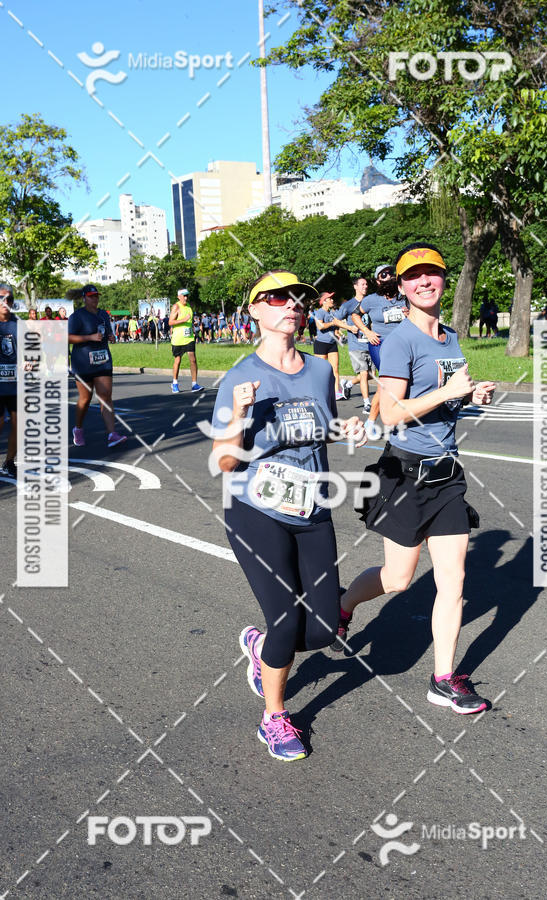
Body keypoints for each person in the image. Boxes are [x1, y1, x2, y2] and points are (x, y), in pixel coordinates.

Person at [212, 269, 366, 761]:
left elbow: (323, 426)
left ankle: (259, 650)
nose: (291, 305)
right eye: (276, 298)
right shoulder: (238, 377)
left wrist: (349, 429)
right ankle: (275, 717)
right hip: (254, 508)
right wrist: (238, 416)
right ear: (255, 310)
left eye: (298, 298)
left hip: (311, 506)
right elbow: (223, 462)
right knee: (285, 621)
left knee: (321, 632)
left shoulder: (321, 370)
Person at [335, 243, 496, 715]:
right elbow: (388, 414)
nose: (424, 282)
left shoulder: (450, 337)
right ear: (402, 288)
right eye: (414, 277)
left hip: (447, 475)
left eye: (433, 274)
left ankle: (443, 678)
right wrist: (449, 390)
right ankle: (343, 606)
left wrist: (469, 396)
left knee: (454, 579)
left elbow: (444, 402)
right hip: (405, 473)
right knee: (399, 578)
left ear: (444, 280)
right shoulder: (400, 340)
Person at [351, 263, 407, 439]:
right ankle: (371, 421)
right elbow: (355, 315)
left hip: (403, 345)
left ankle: (396, 420)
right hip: (380, 344)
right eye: (383, 275)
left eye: (391, 273)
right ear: (377, 281)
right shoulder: (371, 300)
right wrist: (366, 331)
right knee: (388, 381)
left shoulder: (404, 297)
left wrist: (409, 314)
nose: (388, 276)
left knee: (402, 383)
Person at [68, 284, 127, 448]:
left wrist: (111, 337)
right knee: (85, 399)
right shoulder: (77, 316)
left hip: (103, 360)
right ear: (84, 298)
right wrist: (89, 337)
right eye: (91, 296)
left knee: (105, 395)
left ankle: (112, 434)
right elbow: (68, 338)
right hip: (83, 363)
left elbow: (107, 332)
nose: (95, 298)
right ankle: (78, 429)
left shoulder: (103, 314)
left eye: (97, 296)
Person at [339, 275, 374, 413]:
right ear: (355, 287)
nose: (365, 286)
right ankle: (367, 404)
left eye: (366, 284)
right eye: (362, 284)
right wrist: (349, 328)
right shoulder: (348, 305)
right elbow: (335, 319)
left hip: (370, 343)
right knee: (364, 373)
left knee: (371, 374)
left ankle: (348, 384)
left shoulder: (369, 302)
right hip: (356, 345)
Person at [313, 291, 352, 400]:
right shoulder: (320, 312)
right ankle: (319, 391)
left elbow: (335, 328)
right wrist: (333, 323)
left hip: (332, 344)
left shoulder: (331, 313)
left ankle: (336, 392)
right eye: (330, 299)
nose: (332, 300)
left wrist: (338, 333)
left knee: (335, 369)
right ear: (324, 301)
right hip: (321, 344)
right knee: (321, 370)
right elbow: (320, 326)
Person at [169, 288, 203, 394]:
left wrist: (194, 325)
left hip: (189, 338)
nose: (186, 297)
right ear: (179, 296)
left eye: (187, 295)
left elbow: (189, 321)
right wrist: (183, 320)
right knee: (178, 361)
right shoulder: (176, 306)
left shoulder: (188, 307)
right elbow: (170, 322)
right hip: (178, 339)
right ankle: (174, 383)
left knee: (192, 359)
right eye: (184, 296)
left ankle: (194, 384)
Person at [0, 285, 18, 477]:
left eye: (9, 299)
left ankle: (9, 462)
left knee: (18, 423)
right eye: (2, 298)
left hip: (15, 384)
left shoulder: (19, 325)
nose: (6, 302)